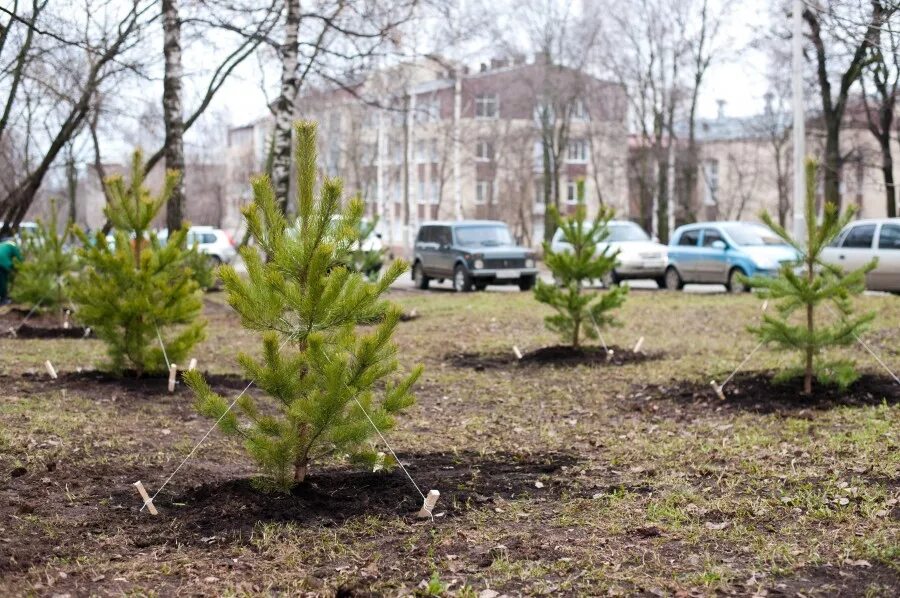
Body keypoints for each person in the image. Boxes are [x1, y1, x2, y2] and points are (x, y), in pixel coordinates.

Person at [0, 235, 23, 305]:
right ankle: (4, 299)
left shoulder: (2, 244)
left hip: (2, 262)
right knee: (3, 281)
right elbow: (20, 259)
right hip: (2, 263)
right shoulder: (13, 245)